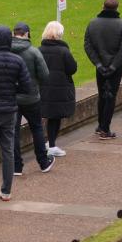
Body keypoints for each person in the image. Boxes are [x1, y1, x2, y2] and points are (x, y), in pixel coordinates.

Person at [0, 25, 32, 198]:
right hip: (9, 110)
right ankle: (6, 191)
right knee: (7, 149)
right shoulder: (17, 61)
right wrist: (11, 90)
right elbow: (26, 86)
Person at [10, 23, 53, 176]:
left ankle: (16, 167)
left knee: (13, 131)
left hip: (12, 98)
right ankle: (43, 162)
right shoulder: (33, 52)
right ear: (27, 34)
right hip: (30, 97)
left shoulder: (6, 52)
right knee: (36, 128)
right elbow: (45, 75)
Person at [84, 0, 122, 135]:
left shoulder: (93, 23)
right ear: (117, 8)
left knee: (102, 95)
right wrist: (114, 66)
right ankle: (105, 128)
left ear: (102, 6)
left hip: (100, 66)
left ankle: (101, 125)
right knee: (110, 96)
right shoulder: (121, 25)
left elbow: (88, 45)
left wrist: (98, 64)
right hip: (115, 67)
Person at [38, 22, 78, 151]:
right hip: (60, 89)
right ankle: (52, 144)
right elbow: (72, 68)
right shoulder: (64, 51)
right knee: (55, 117)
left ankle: (50, 143)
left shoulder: (39, 50)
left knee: (51, 116)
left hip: (44, 88)